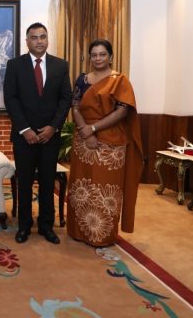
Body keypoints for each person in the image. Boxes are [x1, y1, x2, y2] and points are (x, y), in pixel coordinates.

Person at [66, 39, 143, 247]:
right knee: (81, 188)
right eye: (94, 55)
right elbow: (75, 107)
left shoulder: (120, 81)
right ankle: (78, 231)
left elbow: (122, 111)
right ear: (89, 58)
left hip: (111, 143)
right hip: (83, 141)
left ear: (110, 57)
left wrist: (93, 129)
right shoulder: (82, 80)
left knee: (106, 189)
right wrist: (85, 130)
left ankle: (102, 235)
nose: (98, 58)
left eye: (102, 54)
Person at [3, 23, 72, 244]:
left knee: (47, 182)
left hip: (50, 137)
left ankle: (46, 226)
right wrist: (25, 129)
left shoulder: (61, 65)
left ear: (48, 40)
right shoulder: (15, 65)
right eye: (34, 37)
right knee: (24, 183)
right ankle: (24, 226)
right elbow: (10, 99)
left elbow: (65, 99)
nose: (39, 41)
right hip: (24, 137)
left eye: (43, 37)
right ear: (27, 41)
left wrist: (53, 127)